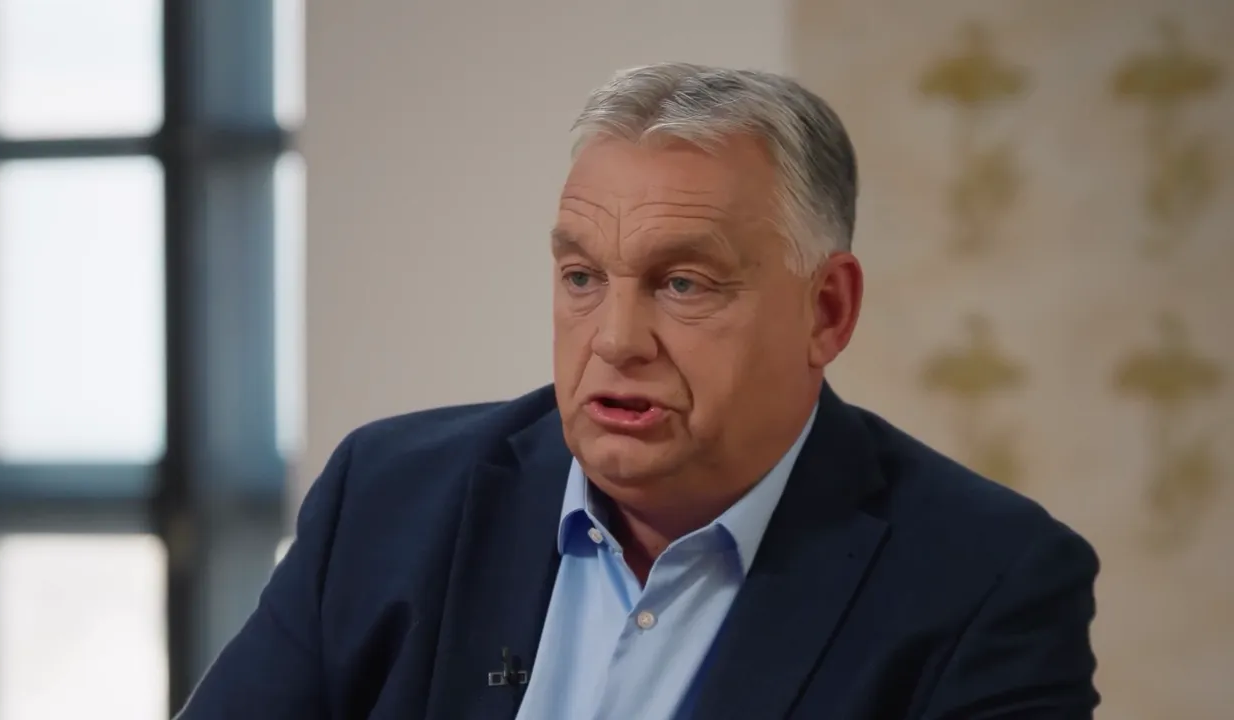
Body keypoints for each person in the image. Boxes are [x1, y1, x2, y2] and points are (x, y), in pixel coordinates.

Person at [178, 63, 1099, 720]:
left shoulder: (986, 580)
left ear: (826, 309)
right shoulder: (387, 498)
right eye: (582, 278)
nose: (615, 341)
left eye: (683, 284)